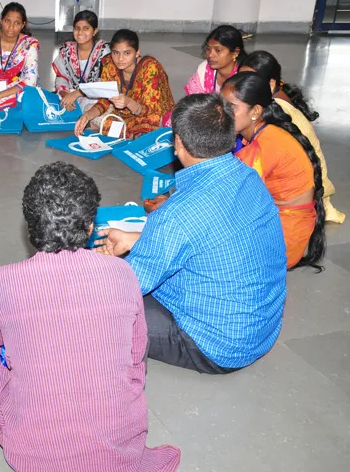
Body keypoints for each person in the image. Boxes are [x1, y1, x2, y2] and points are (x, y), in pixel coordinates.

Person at [0, 162, 181, 471]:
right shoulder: (122, 273)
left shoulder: (1, 281)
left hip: (33, 453)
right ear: (89, 227)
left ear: (31, 226)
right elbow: (137, 356)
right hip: (119, 442)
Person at [99, 93, 287, 373]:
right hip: (260, 327)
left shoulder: (175, 214)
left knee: (99, 305)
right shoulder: (249, 178)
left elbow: (127, 288)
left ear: (178, 143)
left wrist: (87, 270)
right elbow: (209, 240)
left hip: (214, 346)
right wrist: (133, 240)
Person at [222, 72, 326, 270]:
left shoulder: (262, 147)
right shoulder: (264, 132)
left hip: (281, 244)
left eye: (231, 108)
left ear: (255, 112)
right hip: (284, 228)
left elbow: (227, 198)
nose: (221, 113)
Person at [240, 50, 344, 223]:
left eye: (251, 81)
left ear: (271, 84)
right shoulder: (270, 101)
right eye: (241, 79)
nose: (242, 86)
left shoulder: (276, 109)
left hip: (301, 193)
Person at [74, 29, 174, 139]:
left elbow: (150, 111)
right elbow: (104, 101)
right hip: (122, 114)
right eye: (116, 53)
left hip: (152, 115)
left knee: (151, 124)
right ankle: (126, 133)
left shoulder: (150, 68)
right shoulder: (108, 63)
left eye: (127, 53)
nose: (120, 59)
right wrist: (87, 116)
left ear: (137, 53)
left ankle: (118, 131)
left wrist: (128, 102)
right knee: (88, 109)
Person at [53, 9, 111, 112]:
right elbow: (61, 78)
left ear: (95, 31)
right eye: (77, 28)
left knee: (95, 107)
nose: (80, 32)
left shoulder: (104, 52)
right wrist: (65, 95)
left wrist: (78, 93)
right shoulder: (66, 50)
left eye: (86, 28)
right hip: (70, 94)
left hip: (95, 96)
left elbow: (104, 83)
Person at [184, 25, 246, 95]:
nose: (210, 55)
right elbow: (194, 102)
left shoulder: (244, 76)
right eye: (208, 49)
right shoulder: (204, 70)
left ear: (235, 52)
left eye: (218, 50)